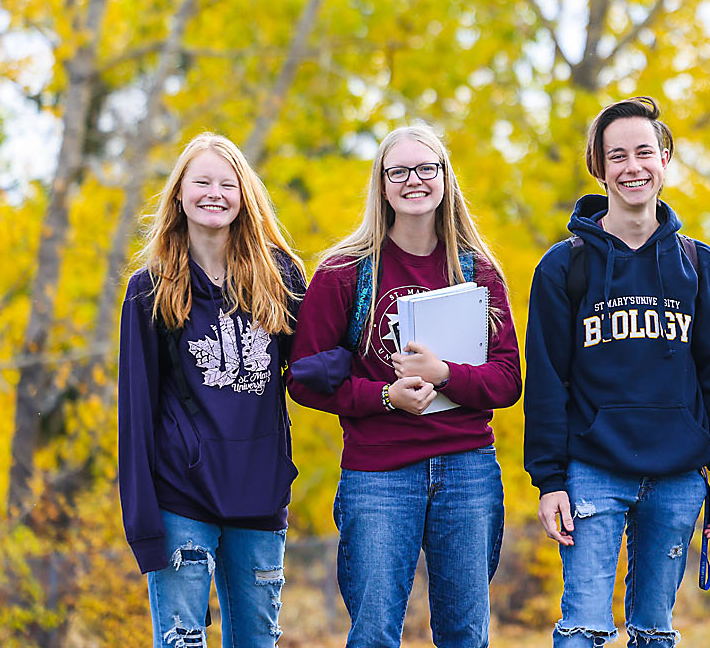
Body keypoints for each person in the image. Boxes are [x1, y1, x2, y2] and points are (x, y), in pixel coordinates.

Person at [287, 125, 521, 648]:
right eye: (399, 172)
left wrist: (446, 376)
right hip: (378, 472)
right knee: (373, 634)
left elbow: (508, 381)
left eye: (426, 169)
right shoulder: (345, 273)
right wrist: (384, 397)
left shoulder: (478, 271)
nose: (414, 181)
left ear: (445, 178)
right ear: (382, 185)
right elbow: (303, 381)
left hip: (467, 469)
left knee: (465, 634)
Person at [523, 96, 710, 648]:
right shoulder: (563, 265)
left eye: (645, 152)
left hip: (679, 476)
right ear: (599, 167)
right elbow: (547, 381)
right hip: (594, 471)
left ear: (665, 159)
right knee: (582, 629)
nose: (632, 167)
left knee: (655, 631)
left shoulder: (699, 263)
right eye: (616, 156)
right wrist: (549, 481)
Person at [117, 132, 307, 647]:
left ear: (245, 195)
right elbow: (135, 415)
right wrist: (143, 524)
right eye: (201, 181)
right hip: (182, 500)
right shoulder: (150, 289)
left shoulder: (281, 278)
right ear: (178, 194)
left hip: (260, 495)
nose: (214, 193)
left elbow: (311, 369)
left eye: (227, 183)